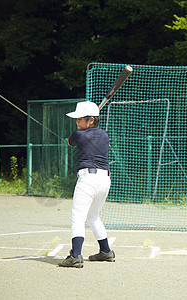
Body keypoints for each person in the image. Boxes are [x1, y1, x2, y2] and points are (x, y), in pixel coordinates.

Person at [58, 101, 115, 268]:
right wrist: (89, 123)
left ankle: (75, 255)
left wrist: (81, 129)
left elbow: (70, 141)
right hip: (104, 180)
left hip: (88, 180)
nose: (77, 122)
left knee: (78, 216)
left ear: (91, 120)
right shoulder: (104, 134)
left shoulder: (78, 134)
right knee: (93, 216)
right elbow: (90, 135)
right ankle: (106, 251)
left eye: (79, 119)